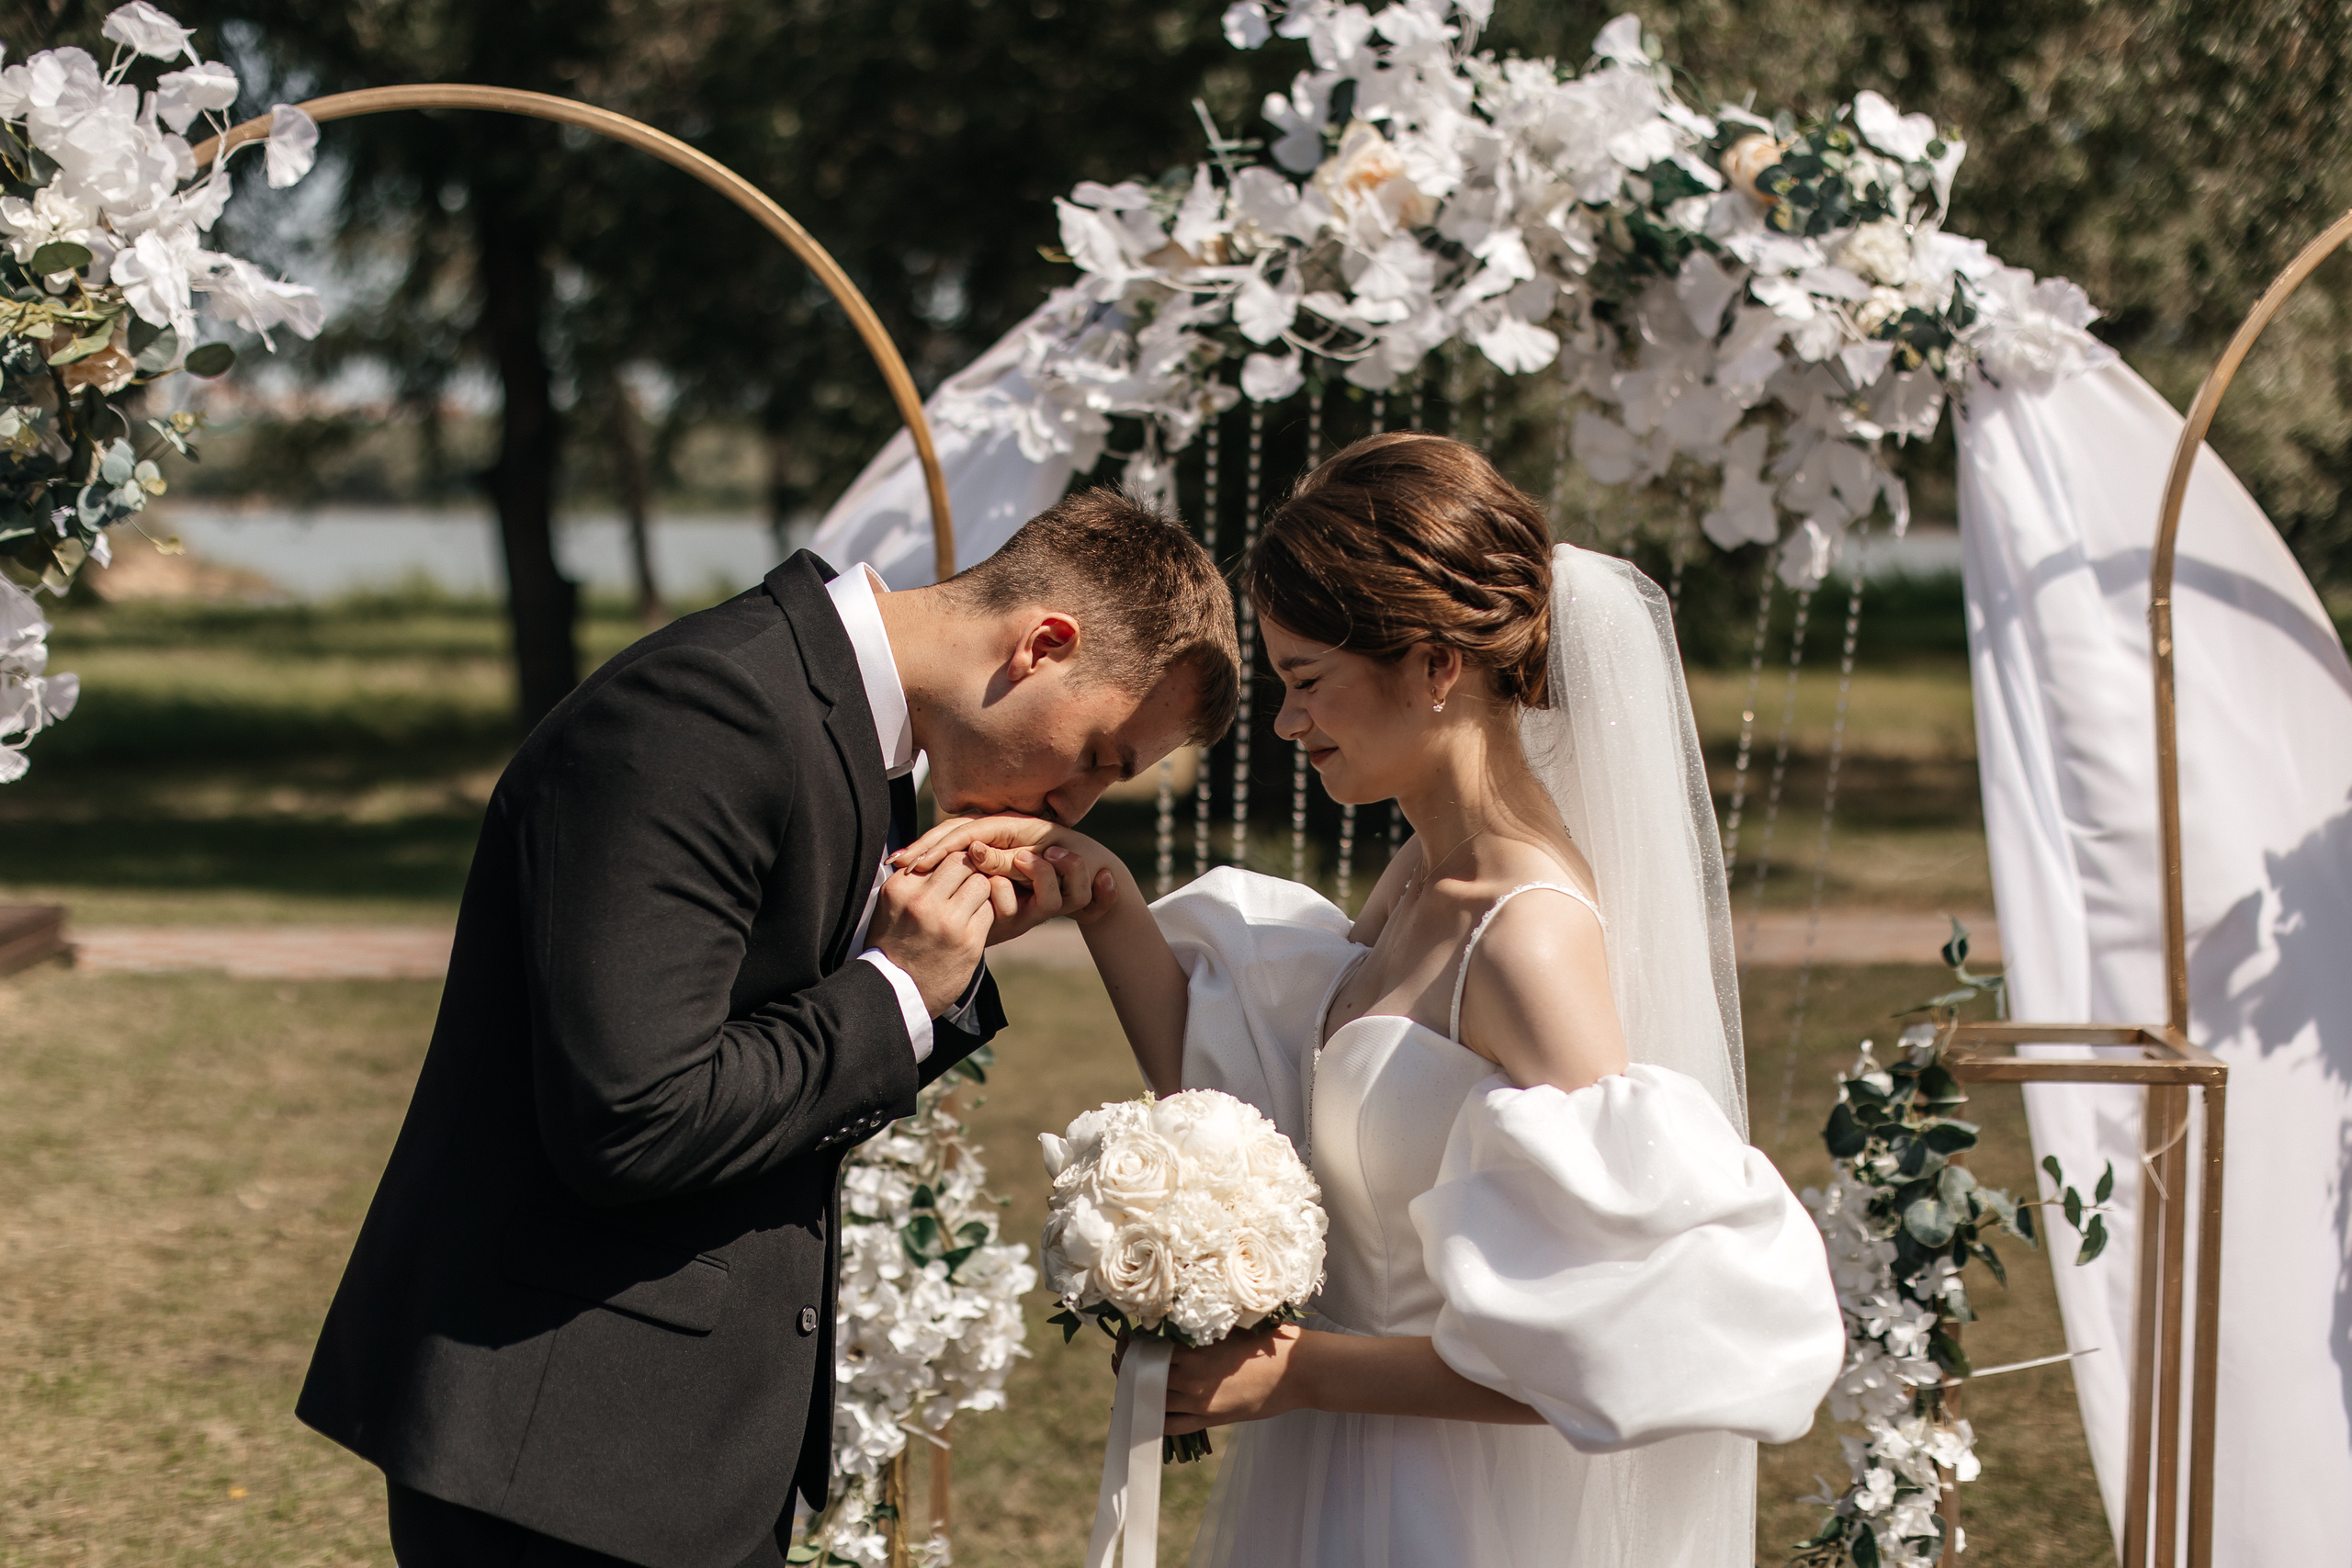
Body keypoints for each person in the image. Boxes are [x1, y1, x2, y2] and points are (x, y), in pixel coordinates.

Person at [901, 434, 1845, 1566]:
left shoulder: (1527, 938)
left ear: (1436, 664)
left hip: (1446, 1512)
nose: (1290, 724)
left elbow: (1628, 1331)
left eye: (1306, 681)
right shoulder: (1419, 871)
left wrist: (1304, 1372)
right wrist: (1105, 901)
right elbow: (1254, 1100)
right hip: (1340, 1471)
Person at [294, 489, 1238, 1568]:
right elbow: (634, 1118)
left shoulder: (853, 734)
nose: (1077, 803)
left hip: (668, 1449)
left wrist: (936, 975)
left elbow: (768, 1057)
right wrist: (898, 988)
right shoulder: (705, 711)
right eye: (1102, 754)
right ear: (1043, 645)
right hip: (558, 1444)